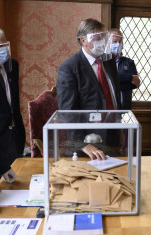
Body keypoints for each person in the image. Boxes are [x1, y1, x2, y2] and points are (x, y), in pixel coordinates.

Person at [56, 18, 121, 160]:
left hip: (112, 134)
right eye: (97, 38)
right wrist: (82, 144)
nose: (102, 42)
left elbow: (114, 95)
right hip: (87, 143)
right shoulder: (69, 68)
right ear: (83, 40)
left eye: (104, 37)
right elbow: (67, 112)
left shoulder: (108, 62)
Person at [0, 25, 25, 217]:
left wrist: (5, 167)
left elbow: (13, 105)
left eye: (4, 45)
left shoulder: (12, 65)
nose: (3, 50)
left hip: (13, 138)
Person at [106, 28, 140, 109]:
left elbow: (136, 83)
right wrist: (129, 77)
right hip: (107, 109)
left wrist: (112, 85)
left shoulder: (129, 62)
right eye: (114, 41)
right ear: (107, 42)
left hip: (125, 108)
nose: (118, 44)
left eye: (120, 41)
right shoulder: (101, 62)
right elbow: (104, 81)